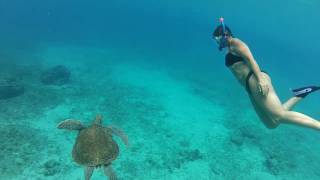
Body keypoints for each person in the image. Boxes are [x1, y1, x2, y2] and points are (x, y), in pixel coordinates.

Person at [213, 17, 320, 130]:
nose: (218, 42)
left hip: (254, 79)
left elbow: (251, 60)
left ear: (226, 35)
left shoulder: (236, 43)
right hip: (249, 88)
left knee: (279, 116)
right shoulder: (229, 48)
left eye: (218, 39)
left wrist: (261, 80)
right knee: (271, 124)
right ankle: (300, 94)